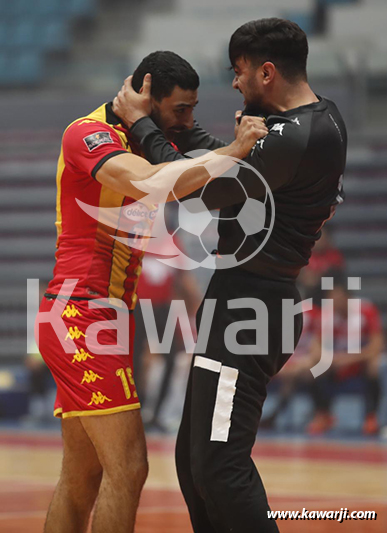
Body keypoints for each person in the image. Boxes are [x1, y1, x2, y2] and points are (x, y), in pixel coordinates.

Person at [114, 18, 347, 532]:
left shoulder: (297, 135)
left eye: (239, 73)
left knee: (219, 468)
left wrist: (143, 125)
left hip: (253, 308)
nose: (235, 84)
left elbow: (198, 189)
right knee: (193, 462)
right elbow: (228, 158)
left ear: (266, 72)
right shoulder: (312, 120)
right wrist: (180, 124)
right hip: (244, 302)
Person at [35, 51, 267, 533]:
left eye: (193, 108)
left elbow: (209, 164)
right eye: (180, 109)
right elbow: (154, 182)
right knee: (131, 468)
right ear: (146, 94)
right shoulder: (89, 134)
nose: (188, 119)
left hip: (110, 314)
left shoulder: (156, 135)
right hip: (81, 312)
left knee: (81, 480)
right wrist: (236, 150)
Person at [307, 276, 384, 436]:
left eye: (334, 295)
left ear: (346, 295)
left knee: (374, 365)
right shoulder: (328, 315)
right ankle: (323, 414)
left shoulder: (366, 310)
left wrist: (348, 359)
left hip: (359, 362)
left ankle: (371, 416)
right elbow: (316, 346)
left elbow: (377, 346)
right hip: (337, 363)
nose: (331, 300)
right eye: (329, 297)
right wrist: (330, 359)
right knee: (314, 366)